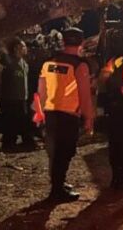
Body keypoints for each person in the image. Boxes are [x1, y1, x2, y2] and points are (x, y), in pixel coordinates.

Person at [35, 27, 94, 202]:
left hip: (50, 114)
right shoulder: (80, 65)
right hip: (68, 116)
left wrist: (38, 114)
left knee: (55, 153)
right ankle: (57, 191)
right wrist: (89, 118)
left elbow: (40, 91)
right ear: (82, 43)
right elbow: (85, 95)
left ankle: (58, 183)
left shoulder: (49, 63)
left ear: (64, 42)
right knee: (65, 152)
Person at [97, 53, 123, 191]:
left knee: (115, 144)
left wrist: (101, 105)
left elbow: (103, 80)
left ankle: (117, 178)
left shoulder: (114, 59)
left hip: (113, 108)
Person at [0, 38, 35, 151]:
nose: (25, 49)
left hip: (22, 98)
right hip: (9, 98)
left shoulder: (24, 63)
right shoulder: (7, 60)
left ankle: (27, 141)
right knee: (10, 121)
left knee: (24, 120)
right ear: (16, 48)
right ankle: (8, 144)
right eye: (23, 46)